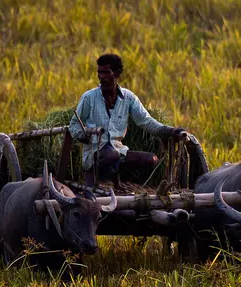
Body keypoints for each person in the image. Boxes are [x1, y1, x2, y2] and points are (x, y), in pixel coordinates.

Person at [68, 53, 185, 187]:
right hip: (95, 154)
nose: (101, 77)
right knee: (111, 155)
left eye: (106, 73)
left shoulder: (128, 98)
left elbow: (146, 121)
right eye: (99, 73)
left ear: (117, 73)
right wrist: (84, 134)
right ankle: (99, 180)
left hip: (118, 151)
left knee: (151, 159)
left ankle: (123, 180)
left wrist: (169, 130)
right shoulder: (89, 98)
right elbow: (73, 125)